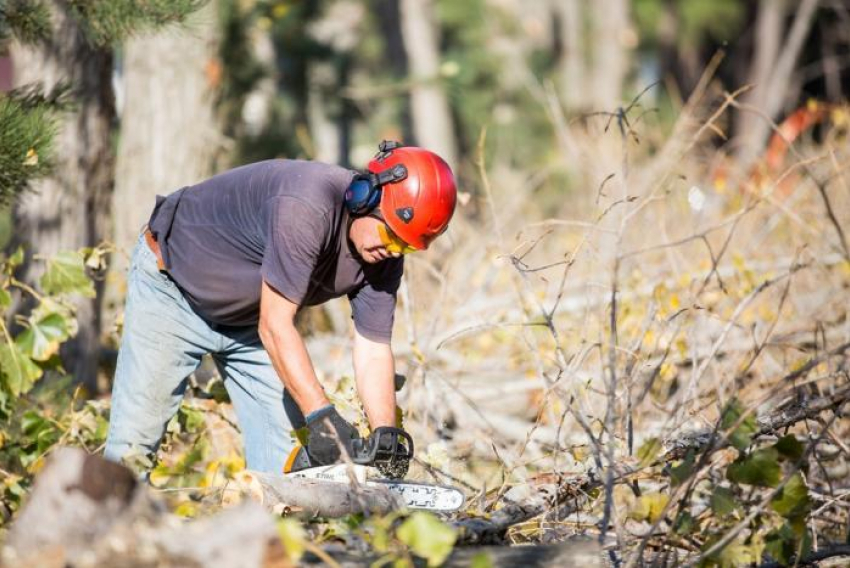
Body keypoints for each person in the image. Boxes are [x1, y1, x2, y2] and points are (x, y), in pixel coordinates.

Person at [104, 141, 457, 474]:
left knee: (285, 460)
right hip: (173, 293)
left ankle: (272, 535)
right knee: (132, 446)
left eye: (406, 247)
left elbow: (373, 348)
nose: (394, 251)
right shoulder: (307, 206)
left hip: (251, 320)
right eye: (392, 235)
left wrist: (385, 431)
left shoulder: (385, 259)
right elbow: (276, 325)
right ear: (364, 197)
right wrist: (323, 417)